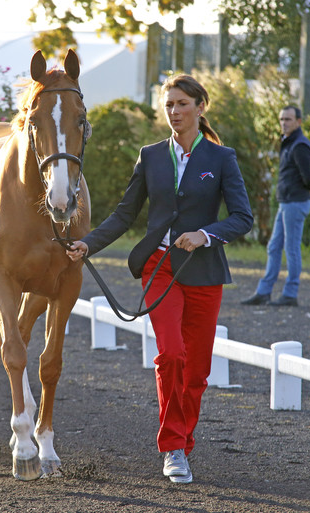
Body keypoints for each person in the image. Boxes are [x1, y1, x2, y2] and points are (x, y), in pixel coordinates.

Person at [66, 74, 253, 483]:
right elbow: (124, 213)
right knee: (171, 354)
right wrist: (88, 244)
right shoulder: (150, 155)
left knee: (197, 370)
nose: (174, 112)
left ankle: (184, 443)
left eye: (182, 103)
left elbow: (243, 218)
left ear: (200, 107)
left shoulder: (223, 159)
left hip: (203, 270)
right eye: (169, 105)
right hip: (160, 266)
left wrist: (205, 234)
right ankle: (172, 448)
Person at [241, 105, 310, 307]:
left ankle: (290, 294)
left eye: (288, 119)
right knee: (274, 246)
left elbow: (307, 176)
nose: (284, 123)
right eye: (281, 119)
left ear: (298, 122)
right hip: (286, 202)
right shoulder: (289, 143)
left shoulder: (300, 145)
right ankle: (264, 292)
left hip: (295, 203)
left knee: (291, 249)